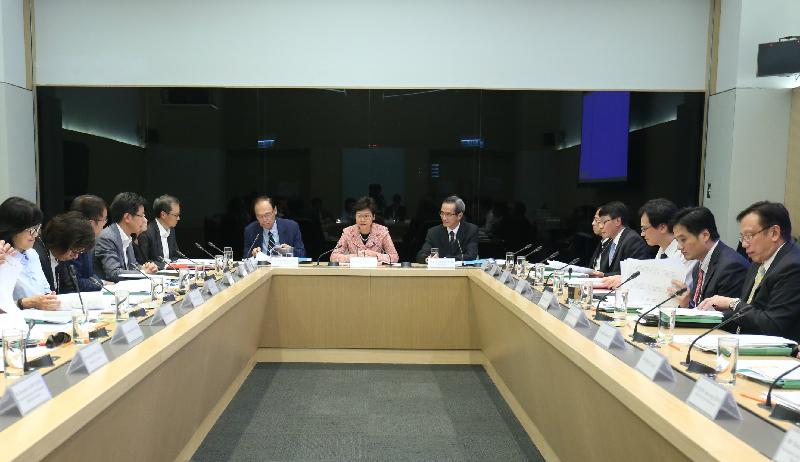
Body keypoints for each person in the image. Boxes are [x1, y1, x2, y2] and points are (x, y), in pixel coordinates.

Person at [698, 201, 800, 341]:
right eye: (742, 237)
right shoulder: (758, 262)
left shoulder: (792, 267)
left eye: (749, 236)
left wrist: (732, 303)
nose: (744, 244)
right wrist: (701, 318)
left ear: (774, 233)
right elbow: (748, 312)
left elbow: (773, 325)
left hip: (779, 356)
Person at [668, 206, 749, 308]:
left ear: (705, 235)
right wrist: (686, 304)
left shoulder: (731, 266)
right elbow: (699, 310)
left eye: (683, 239)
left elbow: (725, 318)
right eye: (677, 241)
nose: (679, 247)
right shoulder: (699, 265)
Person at [601, 198, 694, 287]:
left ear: (662, 227)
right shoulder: (662, 250)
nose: (642, 234)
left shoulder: (685, 252)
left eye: (644, 229)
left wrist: (628, 281)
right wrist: (624, 278)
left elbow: (669, 287)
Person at [0, 197, 60, 311]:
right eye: (32, 229)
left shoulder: (32, 254)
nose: (36, 235)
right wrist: (27, 303)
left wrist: (49, 299)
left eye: (38, 228)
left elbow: (45, 290)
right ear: (13, 229)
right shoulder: (3, 258)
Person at [94, 192, 158, 282]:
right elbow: (114, 273)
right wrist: (143, 272)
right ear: (127, 217)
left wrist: (144, 268)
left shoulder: (126, 235)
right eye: (141, 215)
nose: (145, 220)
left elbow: (132, 266)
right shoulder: (107, 238)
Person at [33, 211, 95, 294]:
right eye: (74, 251)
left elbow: (68, 287)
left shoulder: (59, 256)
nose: (75, 256)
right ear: (61, 241)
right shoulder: (37, 255)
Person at [590, 201, 651, 277]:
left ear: (617, 221)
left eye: (603, 222)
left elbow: (636, 273)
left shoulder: (632, 240)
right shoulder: (610, 241)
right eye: (599, 222)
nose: (601, 226)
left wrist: (603, 275)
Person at [331, 197, 399, 264]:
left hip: (375, 272)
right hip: (354, 271)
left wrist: (375, 255)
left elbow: (394, 257)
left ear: (373, 217)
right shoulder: (348, 232)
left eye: (366, 216)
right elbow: (333, 257)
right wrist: (356, 257)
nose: (362, 220)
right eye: (359, 216)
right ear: (355, 216)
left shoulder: (382, 231)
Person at [416, 195, 479, 262]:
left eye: (448, 214)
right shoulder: (433, 232)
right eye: (442, 213)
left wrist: (444, 260)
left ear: (459, 216)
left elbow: (471, 255)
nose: (444, 218)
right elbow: (421, 255)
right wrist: (428, 259)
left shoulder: (471, 230)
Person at [69, 194, 107, 291]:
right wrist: (101, 283)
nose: (104, 225)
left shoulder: (88, 240)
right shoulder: (72, 242)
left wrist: (101, 282)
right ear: (90, 223)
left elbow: (89, 274)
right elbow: (74, 282)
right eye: (104, 220)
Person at [139, 195, 181, 268]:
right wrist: (165, 266)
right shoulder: (146, 232)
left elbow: (176, 255)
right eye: (176, 215)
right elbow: (144, 261)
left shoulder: (171, 230)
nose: (178, 218)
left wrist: (173, 265)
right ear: (163, 215)